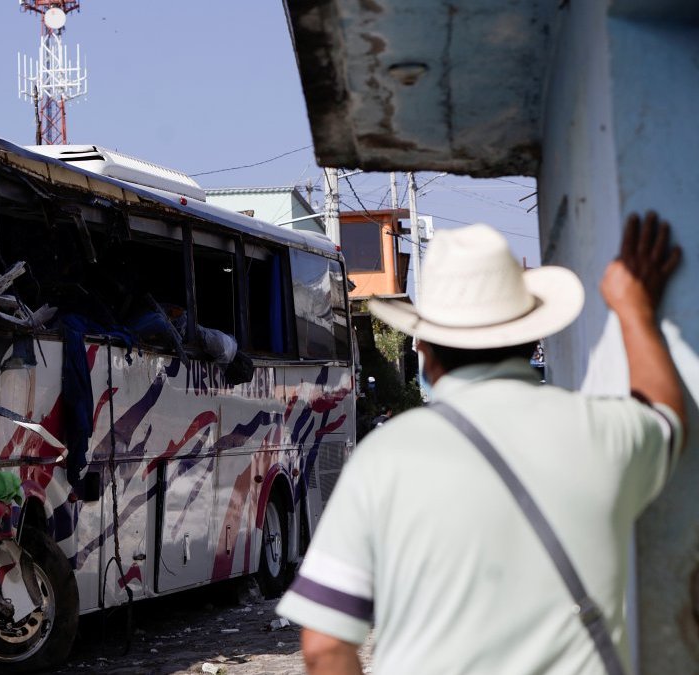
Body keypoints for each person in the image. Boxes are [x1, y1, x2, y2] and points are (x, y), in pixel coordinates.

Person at [277, 213, 685, 674]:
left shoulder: (384, 459)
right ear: (532, 337)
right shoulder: (601, 431)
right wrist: (635, 309)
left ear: (426, 352)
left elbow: (325, 646)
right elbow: (666, 413)